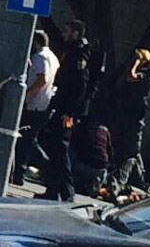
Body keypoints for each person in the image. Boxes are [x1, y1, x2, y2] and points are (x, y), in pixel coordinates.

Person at [36, 19, 92, 202]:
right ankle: (52, 191)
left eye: (67, 31)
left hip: (66, 111)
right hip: (61, 106)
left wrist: (70, 113)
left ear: (75, 33)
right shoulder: (71, 51)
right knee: (54, 147)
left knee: (60, 149)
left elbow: (79, 87)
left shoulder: (78, 55)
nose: (64, 34)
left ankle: (68, 193)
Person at [108, 48, 150, 199]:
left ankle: (118, 183)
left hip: (135, 119)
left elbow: (131, 77)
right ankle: (142, 184)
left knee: (131, 153)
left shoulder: (146, 75)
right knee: (133, 153)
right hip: (126, 116)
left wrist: (137, 62)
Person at [13, 30, 60, 186]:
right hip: (45, 103)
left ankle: (46, 167)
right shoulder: (53, 57)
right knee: (29, 139)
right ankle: (19, 173)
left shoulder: (39, 57)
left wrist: (26, 92)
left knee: (26, 139)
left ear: (35, 42)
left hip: (35, 103)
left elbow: (42, 78)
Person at [71, 103, 114, 197]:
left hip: (85, 166)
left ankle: (72, 178)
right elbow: (110, 152)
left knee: (69, 149)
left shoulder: (81, 128)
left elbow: (75, 145)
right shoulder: (105, 131)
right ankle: (93, 186)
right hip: (101, 169)